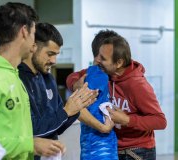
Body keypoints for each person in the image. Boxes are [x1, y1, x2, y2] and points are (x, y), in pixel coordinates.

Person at [67, 32, 167, 160]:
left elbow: (160, 121)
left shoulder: (137, 85)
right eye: (97, 55)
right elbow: (73, 76)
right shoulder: (104, 72)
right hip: (112, 148)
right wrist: (75, 84)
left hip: (137, 152)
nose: (97, 60)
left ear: (118, 62)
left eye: (103, 58)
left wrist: (126, 119)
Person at [18, 23, 98, 160]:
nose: (54, 61)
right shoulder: (18, 78)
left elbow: (57, 127)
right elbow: (33, 130)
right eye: (50, 54)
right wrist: (67, 111)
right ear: (33, 47)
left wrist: (77, 106)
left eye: (56, 55)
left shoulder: (48, 78)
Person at [0, 2, 38, 159]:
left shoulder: (14, 75)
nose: (34, 44)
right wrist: (30, 144)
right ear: (24, 32)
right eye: (33, 34)